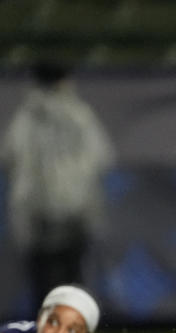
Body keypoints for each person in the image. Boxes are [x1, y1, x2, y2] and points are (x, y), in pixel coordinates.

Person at [1, 61, 114, 310]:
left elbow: (9, 156)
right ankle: (75, 325)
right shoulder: (80, 114)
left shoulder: (26, 116)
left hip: (35, 207)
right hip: (77, 205)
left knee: (42, 276)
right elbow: (102, 157)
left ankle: (45, 330)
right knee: (73, 273)